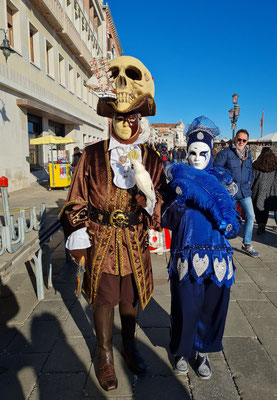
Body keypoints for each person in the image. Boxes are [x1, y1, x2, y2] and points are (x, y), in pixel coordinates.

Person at [59, 56, 166, 392]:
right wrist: (78, 233)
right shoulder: (91, 154)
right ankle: (104, 353)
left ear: (138, 119)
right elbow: (75, 198)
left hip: (133, 238)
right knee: (104, 298)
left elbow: (160, 198)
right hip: (101, 235)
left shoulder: (150, 157)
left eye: (130, 117)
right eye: (118, 117)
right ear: (110, 119)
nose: (124, 123)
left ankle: (129, 345)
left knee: (129, 297)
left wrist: (150, 200)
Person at [161, 116, 241, 379]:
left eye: (203, 153)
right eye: (192, 153)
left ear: (211, 151)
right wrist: (179, 202)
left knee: (212, 305)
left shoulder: (222, 180)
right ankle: (182, 350)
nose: (196, 158)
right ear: (186, 152)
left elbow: (233, 217)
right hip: (186, 252)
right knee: (186, 305)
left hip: (218, 255)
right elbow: (167, 220)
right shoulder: (177, 179)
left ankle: (202, 350)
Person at [214, 129, 259, 258]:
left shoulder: (248, 154)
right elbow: (217, 170)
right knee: (225, 217)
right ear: (235, 139)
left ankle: (247, 243)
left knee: (250, 216)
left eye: (244, 140)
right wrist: (226, 183)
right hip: (230, 193)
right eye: (239, 139)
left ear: (247, 141)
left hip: (245, 191)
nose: (241, 142)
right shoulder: (226, 153)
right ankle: (221, 242)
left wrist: (250, 180)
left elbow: (250, 169)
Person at [251, 147, 277, 235]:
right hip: (270, 189)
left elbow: (253, 178)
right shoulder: (275, 165)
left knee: (257, 207)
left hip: (258, 188)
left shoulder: (256, 164)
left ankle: (260, 223)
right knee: (265, 209)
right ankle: (263, 224)